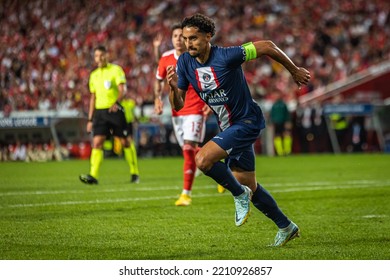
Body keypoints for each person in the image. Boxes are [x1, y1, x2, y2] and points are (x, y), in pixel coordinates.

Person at [167, 13, 310, 246]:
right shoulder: (184, 62)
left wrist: (293, 70)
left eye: (193, 38)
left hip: (246, 122)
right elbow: (178, 105)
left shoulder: (227, 55)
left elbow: (267, 46)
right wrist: (173, 88)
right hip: (229, 127)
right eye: (185, 38)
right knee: (249, 183)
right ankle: (286, 226)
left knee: (202, 160)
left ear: (208, 36)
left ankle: (238, 193)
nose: (188, 43)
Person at [154, 24, 211, 206]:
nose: (178, 39)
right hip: (176, 111)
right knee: (190, 151)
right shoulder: (165, 58)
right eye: (175, 36)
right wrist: (157, 98)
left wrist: (210, 103)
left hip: (195, 108)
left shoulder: (194, 56)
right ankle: (221, 163)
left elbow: (207, 79)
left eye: (181, 36)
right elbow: (159, 79)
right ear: (171, 39)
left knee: (188, 149)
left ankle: (186, 194)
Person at [79, 45, 139, 184]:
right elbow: (93, 98)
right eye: (96, 56)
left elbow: (122, 90)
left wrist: (117, 103)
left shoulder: (115, 70)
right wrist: (90, 119)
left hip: (115, 110)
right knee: (97, 142)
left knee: (125, 142)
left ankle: (134, 172)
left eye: (101, 55)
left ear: (107, 55)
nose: (99, 58)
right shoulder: (93, 75)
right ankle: (93, 175)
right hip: (100, 113)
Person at [269, 90, 292, 156]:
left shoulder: (283, 104)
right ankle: (280, 152)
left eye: (277, 94)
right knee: (277, 136)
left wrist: (288, 122)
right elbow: (272, 115)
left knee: (287, 135)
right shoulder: (274, 105)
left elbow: (287, 114)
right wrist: (271, 122)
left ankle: (287, 151)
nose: (276, 96)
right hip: (276, 123)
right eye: (275, 95)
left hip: (283, 122)